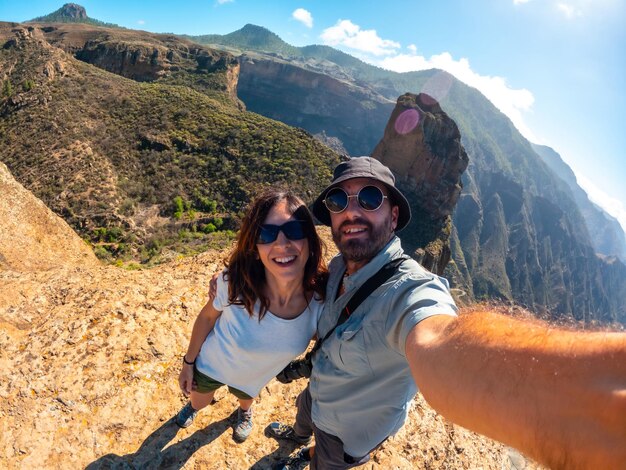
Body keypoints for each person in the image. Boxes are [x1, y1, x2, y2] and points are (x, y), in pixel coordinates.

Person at [266, 157, 626, 470]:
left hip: (346, 431)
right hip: (320, 391)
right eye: (338, 200)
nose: (352, 212)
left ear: (393, 217)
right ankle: (298, 436)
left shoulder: (410, 291)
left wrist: (580, 401)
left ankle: (310, 455)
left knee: (325, 461)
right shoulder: (339, 266)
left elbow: (439, 337)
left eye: (370, 198)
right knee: (305, 410)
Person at [176, 190, 327, 443]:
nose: (281, 244)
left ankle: (245, 412)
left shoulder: (321, 306)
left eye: (294, 230)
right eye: (266, 234)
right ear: (255, 248)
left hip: (252, 379)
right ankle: (194, 407)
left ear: (310, 240)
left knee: (245, 398)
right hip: (212, 365)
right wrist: (188, 363)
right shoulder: (235, 283)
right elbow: (206, 318)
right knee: (198, 401)